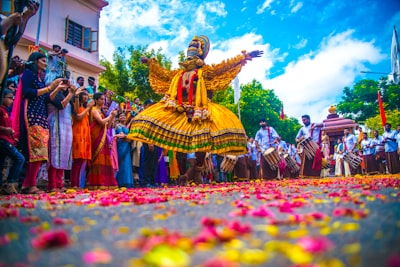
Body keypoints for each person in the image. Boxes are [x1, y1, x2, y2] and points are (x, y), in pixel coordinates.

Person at [128, 35, 263, 160]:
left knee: (201, 142)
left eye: (193, 53)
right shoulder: (178, 74)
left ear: (200, 55)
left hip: (200, 110)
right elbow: (163, 75)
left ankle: (197, 170)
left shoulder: (206, 72)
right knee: (177, 142)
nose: (189, 58)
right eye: (189, 54)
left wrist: (243, 57)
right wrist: (151, 64)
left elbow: (223, 68)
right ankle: (182, 176)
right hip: (178, 109)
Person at [15, 52, 67, 194]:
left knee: (41, 152)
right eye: (43, 61)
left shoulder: (39, 78)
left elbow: (46, 98)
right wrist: (50, 88)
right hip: (31, 114)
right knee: (35, 151)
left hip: (41, 115)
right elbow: (28, 92)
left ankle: (29, 183)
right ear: (35, 61)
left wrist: (56, 88)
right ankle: (29, 184)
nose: (45, 63)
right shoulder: (28, 74)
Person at [47, 82, 76, 192]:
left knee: (64, 155)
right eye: (63, 83)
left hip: (67, 127)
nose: (66, 86)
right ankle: (52, 184)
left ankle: (59, 183)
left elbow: (75, 111)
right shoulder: (53, 94)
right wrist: (70, 94)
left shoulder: (67, 95)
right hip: (56, 124)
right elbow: (61, 105)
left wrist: (75, 95)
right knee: (55, 154)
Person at [86, 92, 118, 190]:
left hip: (103, 138)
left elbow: (107, 126)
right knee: (97, 159)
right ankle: (96, 183)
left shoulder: (102, 112)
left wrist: (112, 116)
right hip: (96, 137)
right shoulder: (94, 110)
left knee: (104, 159)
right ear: (95, 100)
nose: (103, 101)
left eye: (104, 99)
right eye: (101, 99)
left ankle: (105, 182)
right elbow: (101, 122)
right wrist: (109, 116)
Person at [0, 89, 24, 194]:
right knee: (20, 158)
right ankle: (10, 183)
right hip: (2, 140)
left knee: (1, 163)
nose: (12, 100)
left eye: (13, 98)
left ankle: (2, 185)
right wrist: (5, 130)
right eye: (9, 98)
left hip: (7, 139)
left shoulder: (5, 111)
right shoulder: (1, 110)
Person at [70, 88, 93, 188]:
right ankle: (73, 184)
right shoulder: (76, 105)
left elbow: (91, 121)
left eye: (87, 95)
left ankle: (78, 184)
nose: (86, 97)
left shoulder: (85, 107)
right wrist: (88, 108)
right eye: (84, 94)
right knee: (77, 160)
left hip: (85, 135)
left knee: (81, 161)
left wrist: (90, 108)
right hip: (78, 134)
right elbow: (78, 117)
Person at [115, 112, 134, 188]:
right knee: (122, 163)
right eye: (121, 116)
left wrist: (129, 138)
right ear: (118, 118)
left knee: (127, 164)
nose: (123, 117)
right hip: (121, 146)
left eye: (124, 116)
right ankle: (121, 182)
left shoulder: (126, 126)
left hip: (127, 146)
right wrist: (130, 137)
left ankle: (128, 182)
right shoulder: (118, 126)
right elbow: (121, 135)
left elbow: (126, 137)